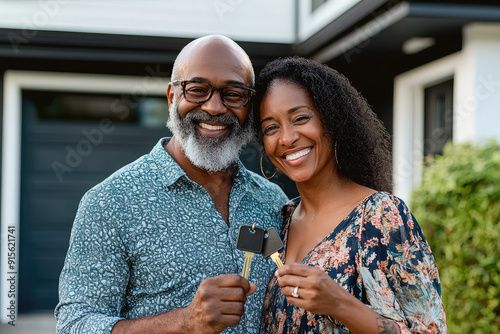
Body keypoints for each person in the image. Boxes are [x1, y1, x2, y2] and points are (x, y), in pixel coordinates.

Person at [55, 35, 288, 334]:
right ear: (172, 97)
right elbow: (75, 325)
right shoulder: (110, 202)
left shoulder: (273, 201)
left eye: (233, 94)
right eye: (197, 90)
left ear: (249, 105)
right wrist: (185, 321)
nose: (215, 107)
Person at [253, 57, 447, 333]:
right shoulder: (281, 222)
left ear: (332, 121)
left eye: (300, 118)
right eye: (271, 127)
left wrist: (339, 304)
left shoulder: (381, 216)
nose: (286, 138)